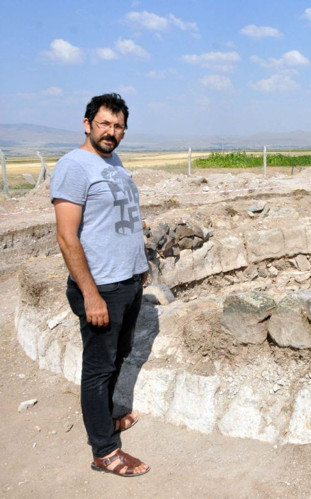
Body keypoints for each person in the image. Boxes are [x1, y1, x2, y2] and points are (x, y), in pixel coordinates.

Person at [51, 93, 151, 477]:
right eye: (104, 123)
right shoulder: (73, 166)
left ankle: (107, 419)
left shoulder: (114, 162)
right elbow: (67, 237)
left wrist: (139, 265)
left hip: (127, 282)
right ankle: (104, 451)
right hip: (101, 287)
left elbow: (120, 221)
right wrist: (90, 294)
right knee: (98, 368)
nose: (111, 131)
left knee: (117, 357)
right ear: (87, 124)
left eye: (118, 126)